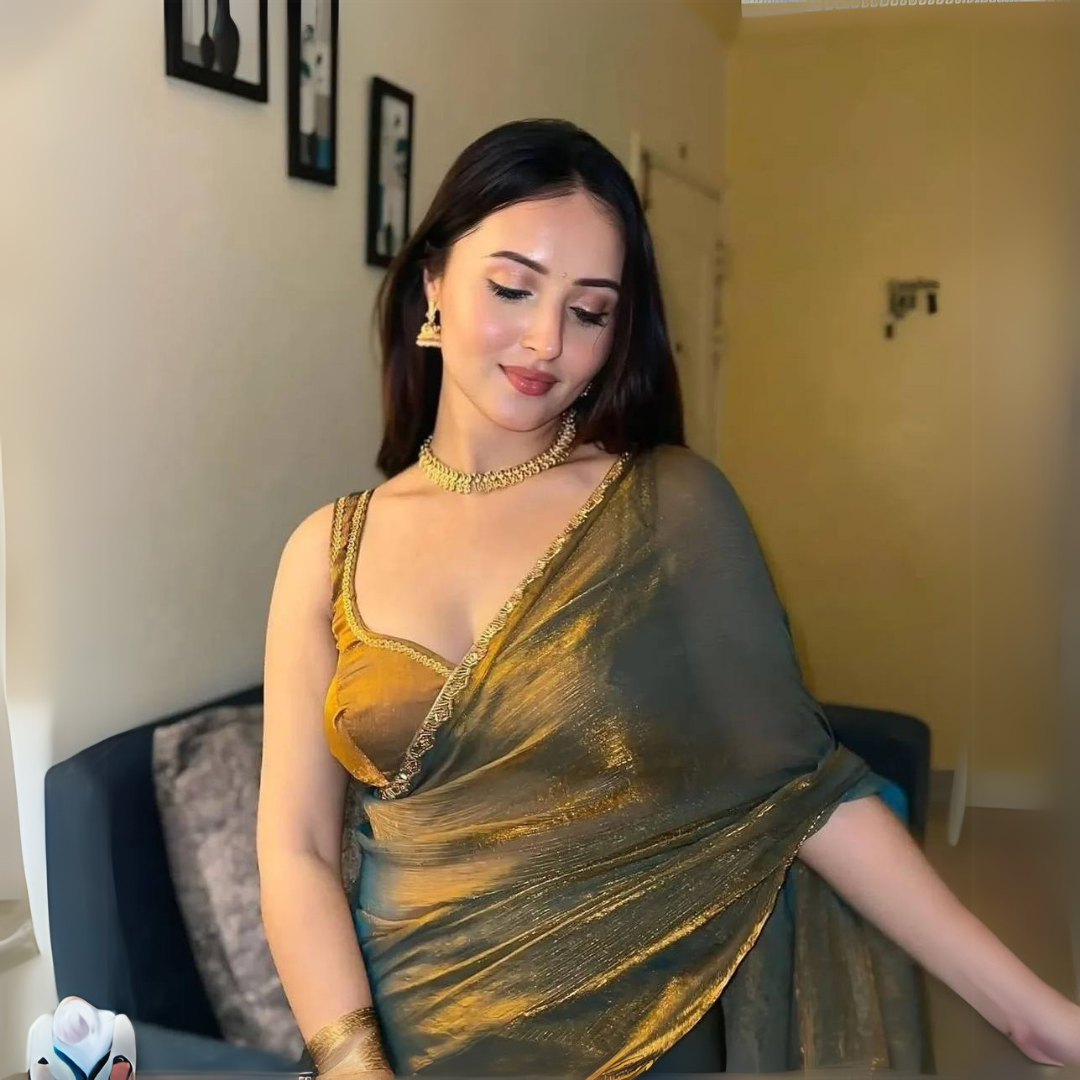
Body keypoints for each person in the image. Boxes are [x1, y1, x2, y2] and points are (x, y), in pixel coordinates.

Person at [257, 118, 1080, 1078]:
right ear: (433, 282)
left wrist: (1037, 1016)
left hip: (644, 1034)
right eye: (513, 289)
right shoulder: (326, 550)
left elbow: (807, 792)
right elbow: (296, 847)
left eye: (590, 311)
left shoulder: (666, 509)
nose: (547, 340)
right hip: (408, 1041)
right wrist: (354, 1067)